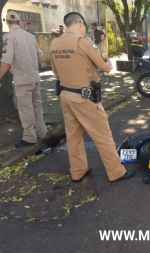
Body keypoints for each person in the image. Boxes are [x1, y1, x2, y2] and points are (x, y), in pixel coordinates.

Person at [49, 12, 135, 183]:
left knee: (73, 137)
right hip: (84, 97)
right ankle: (116, 172)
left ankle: (78, 172)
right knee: (102, 135)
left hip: (65, 95)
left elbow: (55, 72)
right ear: (80, 23)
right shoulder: (84, 42)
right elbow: (107, 67)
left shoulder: (54, 43)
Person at [0, 11, 47, 148]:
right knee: (37, 106)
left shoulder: (8, 38)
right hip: (34, 77)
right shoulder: (30, 36)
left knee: (26, 109)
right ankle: (42, 132)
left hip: (22, 79)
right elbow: (40, 55)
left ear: (7, 23)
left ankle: (29, 137)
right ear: (20, 22)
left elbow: (6, 61)